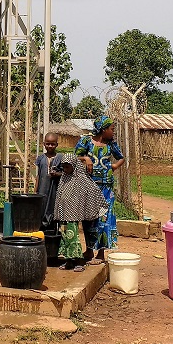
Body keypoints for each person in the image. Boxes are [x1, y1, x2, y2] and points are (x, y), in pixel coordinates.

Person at [74, 116, 125, 264]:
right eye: (111, 129)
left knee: (105, 218)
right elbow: (75, 156)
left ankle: (101, 253)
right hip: (89, 186)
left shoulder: (111, 145)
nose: (113, 132)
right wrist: (86, 159)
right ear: (103, 130)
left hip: (106, 187)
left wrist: (114, 167)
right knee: (89, 218)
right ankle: (89, 250)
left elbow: (121, 157)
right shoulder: (86, 141)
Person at [54, 153, 105, 271]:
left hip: (73, 214)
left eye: (68, 167)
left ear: (74, 166)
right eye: (64, 167)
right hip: (63, 214)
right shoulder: (64, 178)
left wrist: (92, 207)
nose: (65, 169)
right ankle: (69, 261)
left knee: (73, 238)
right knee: (65, 237)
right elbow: (59, 195)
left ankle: (78, 262)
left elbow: (93, 190)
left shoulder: (81, 178)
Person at [35, 132, 63, 231]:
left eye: (52, 144)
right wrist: (35, 191)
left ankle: (53, 230)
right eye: (48, 144)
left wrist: (57, 174)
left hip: (54, 190)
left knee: (53, 209)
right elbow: (38, 175)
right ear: (44, 144)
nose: (50, 146)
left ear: (56, 145)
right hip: (42, 190)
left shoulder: (60, 158)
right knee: (41, 209)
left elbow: (65, 174)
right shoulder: (41, 158)